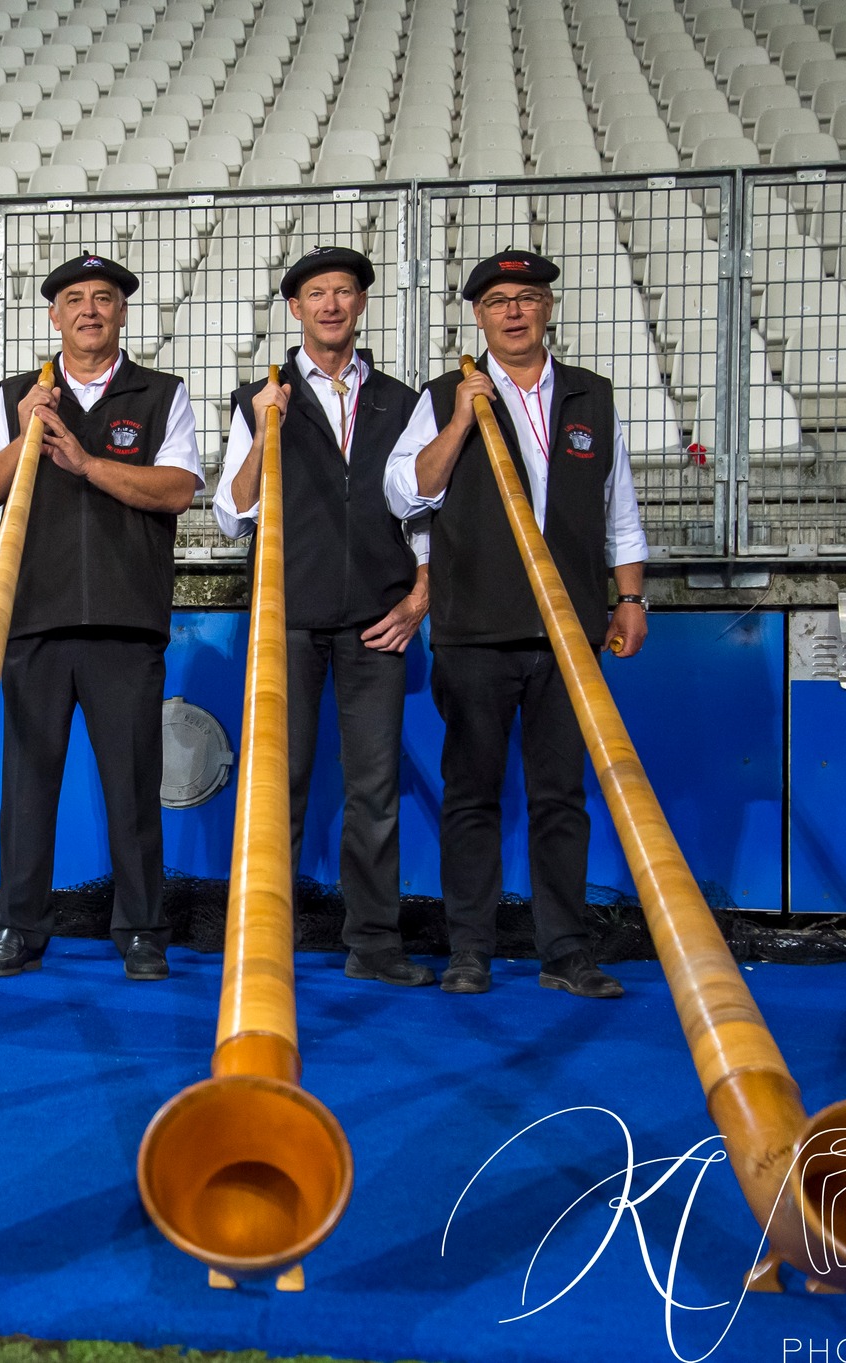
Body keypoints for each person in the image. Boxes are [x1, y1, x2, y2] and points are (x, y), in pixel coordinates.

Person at [384, 250, 650, 1000]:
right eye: (498, 300)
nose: (513, 311)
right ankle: (469, 947)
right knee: (471, 793)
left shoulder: (591, 397)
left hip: (570, 633)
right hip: (475, 628)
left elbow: (618, 510)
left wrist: (630, 600)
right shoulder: (445, 396)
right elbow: (406, 493)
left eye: (527, 297)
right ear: (478, 316)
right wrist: (464, 420)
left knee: (562, 794)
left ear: (546, 309)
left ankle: (565, 949)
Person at [0, 253, 203, 982]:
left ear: (123, 312)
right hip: (33, 619)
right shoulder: (18, 395)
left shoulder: (161, 392)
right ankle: (19, 928)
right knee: (27, 784)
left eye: (104, 298)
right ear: (53, 315)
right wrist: (24, 436)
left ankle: (141, 931)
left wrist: (87, 463)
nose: (90, 310)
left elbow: (180, 489)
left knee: (134, 785)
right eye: (74, 299)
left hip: (127, 622)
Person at [215, 246, 435, 987]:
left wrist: (418, 597)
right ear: (296, 309)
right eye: (317, 293)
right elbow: (231, 514)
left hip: (378, 621)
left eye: (345, 291)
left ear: (362, 304)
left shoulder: (402, 401)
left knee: (373, 789)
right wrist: (264, 428)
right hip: (286, 621)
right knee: (279, 785)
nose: (332, 304)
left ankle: (374, 942)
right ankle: (261, 941)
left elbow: (423, 513)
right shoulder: (261, 395)